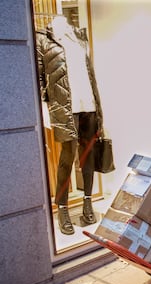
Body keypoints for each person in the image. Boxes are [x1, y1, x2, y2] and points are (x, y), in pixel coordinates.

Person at [36, 16, 104, 235]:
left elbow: (90, 76)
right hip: (65, 108)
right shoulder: (42, 39)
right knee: (67, 157)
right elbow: (39, 80)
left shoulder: (79, 36)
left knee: (88, 156)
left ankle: (87, 203)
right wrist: (45, 112)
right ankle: (62, 208)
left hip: (88, 104)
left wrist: (99, 110)